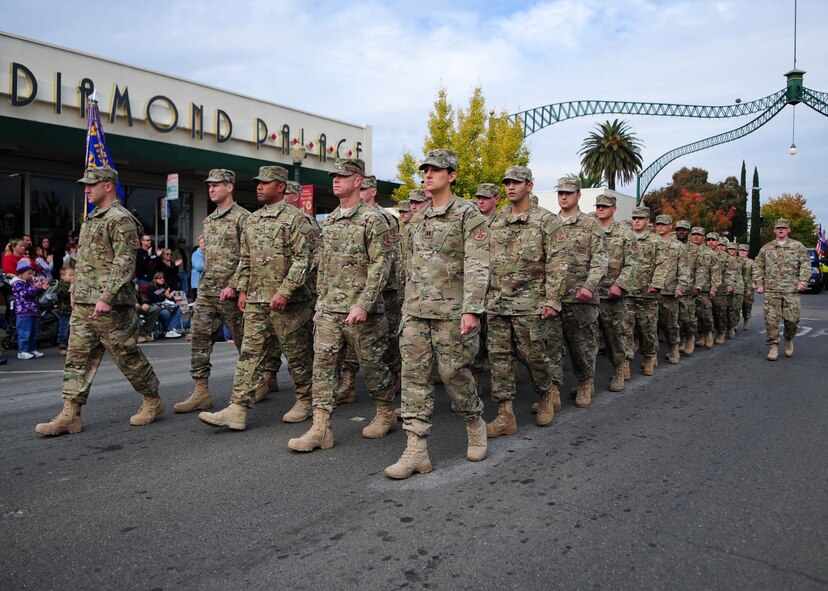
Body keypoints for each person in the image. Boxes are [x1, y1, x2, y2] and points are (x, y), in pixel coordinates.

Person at [385, 149, 489, 479]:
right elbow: (408, 265)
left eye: (436, 170)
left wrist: (472, 309)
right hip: (416, 312)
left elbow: (478, 263)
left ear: (452, 175)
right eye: (425, 170)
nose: (428, 174)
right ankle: (416, 450)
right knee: (413, 378)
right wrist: (404, 306)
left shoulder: (468, 215)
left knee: (454, 375)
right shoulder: (418, 218)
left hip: (452, 313)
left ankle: (474, 421)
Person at [35, 166, 163, 436]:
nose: (86, 189)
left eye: (91, 185)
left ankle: (152, 400)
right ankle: (70, 414)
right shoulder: (92, 218)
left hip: (111, 305)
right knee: (76, 358)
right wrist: (74, 289)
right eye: (85, 185)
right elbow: (85, 260)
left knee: (126, 355)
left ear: (108, 186)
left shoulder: (121, 219)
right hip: (83, 302)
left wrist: (106, 296)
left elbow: (125, 261)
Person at [199, 165, 318, 430]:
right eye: (258, 182)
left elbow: (304, 261)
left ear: (281, 187)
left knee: (297, 354)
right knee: (249, 354)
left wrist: (285, 291)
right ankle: (237, 408)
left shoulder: (297, 220)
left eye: (266, 182)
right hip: (256, 299)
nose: (259, 186)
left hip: (288, 302)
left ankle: (305, 398)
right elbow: (245, 260)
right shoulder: (252, 220)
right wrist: (242, 290)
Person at [288, 158, 393, 451]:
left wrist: (364, 304)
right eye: (334, 176)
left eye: (343, 176)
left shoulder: (374, 220)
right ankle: (321, 428)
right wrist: (321, 300)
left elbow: (381, 267)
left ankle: (385, 412)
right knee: (322, 365)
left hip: (362, 311)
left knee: (373, 365)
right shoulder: (331, 219)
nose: (336, 180)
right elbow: (323, 264)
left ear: (358, 181)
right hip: (330, 308)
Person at [485, 166, 564, 437]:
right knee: (499, 361)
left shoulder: (546, 221)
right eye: (507, 182)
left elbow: (557, 263)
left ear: (529, 186)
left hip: (530, 305)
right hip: (496, 303)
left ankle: (545, 396)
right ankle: (505, 414)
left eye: (516, 182)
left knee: (534, 357)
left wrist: (552, 299)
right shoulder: (496, 221)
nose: (510, 187)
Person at [173, 169, 248, 413]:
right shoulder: (210, 220)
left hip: (231, 292)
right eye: (209, 185)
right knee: (199, 338)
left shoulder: (243, 218)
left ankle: (258, 383)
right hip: (207, 290)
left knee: (245, 343)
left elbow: (249, 257)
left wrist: (237, 286)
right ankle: (201, 391)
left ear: (230, 187)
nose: (212, 189)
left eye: (217, 184)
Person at [336, 175, 402, 405]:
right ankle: (348, 382)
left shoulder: (384, 219)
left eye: (363, 189)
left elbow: (389, 258)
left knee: (388, 340)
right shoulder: (343, 216)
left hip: (385, 290)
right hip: (354, 291)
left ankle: (396, 375)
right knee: (350, 341)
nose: (360, 192)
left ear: (372, 191)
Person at [553, 176, 607, 407]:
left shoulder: (590, 224)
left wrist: (589, 285)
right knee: (551, 347)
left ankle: (585, 382)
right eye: (560, 193)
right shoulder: (550, 223)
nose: (563, 196)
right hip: (553, 297)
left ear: (578, 195)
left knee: (581, 346)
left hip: (580, 298)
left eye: (568, 192)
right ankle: (551, 392)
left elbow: (600, 258)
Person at [594, 192, 636, 392]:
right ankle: (587, 382)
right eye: (598, 206)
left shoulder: (625, 233)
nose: (600, 209)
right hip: (590, 294)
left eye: (605, 206)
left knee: (615, 337)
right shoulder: (590, 229)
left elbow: (632, 264)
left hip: (613, 295)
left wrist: (620, 284)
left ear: (614, 209)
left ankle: (619, 370)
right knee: (588, 341)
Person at [753, 218, 811, 361]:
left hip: (791, 290)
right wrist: (758, 283)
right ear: (774, 230)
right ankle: (773, 347)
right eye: (778, 228)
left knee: (792, 320)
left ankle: (788, 338)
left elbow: (805, 264)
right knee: (771, 320)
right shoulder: (767, 248)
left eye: (784, 228)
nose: (781, 230)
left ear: (788, 230)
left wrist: (803, 281)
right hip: (772, 290)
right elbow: (757, 266)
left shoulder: (798, 246)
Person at [628, 206, 668, 377]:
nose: (636, 221)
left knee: (647, 328)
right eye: (634, 218)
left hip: (647, 293)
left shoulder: (656, 241)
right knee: (625, 329)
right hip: (626, 292)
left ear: (647, 221)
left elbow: (663, 264)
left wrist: (657, 283)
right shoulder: (626, 238)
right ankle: (624, 363)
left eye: (640, 218)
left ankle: (649, 357)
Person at [653, 214, 690, 364]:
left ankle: (673, 347)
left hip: (670, 291)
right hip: (650, 291)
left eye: (663, 224)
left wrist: (681, 286)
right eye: (658, 224)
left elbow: (683, 269)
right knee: (650, 325)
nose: (660, 226)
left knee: (670, 324)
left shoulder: (678, 247)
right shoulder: (650, 243)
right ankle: (651, 355)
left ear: (670, 226)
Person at [12, 260, 49, 359]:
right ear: (20, 273)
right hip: (23, 313)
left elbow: (34, 294)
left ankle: (32, 349)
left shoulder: (29, 283)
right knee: (24, 333)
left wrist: (41, 288)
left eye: (31, 273)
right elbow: (24, 295)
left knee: (33, 333)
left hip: (32, 311)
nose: (31, 275)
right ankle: (22, 351)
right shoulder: (17, 284)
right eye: (28, 273)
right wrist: (35, 288)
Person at [144, 272, 184, 337]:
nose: (162, 279)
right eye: (159, 278)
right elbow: (154, 299)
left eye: (163, 278)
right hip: (157, 307)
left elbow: (170, 299)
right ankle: (167, 330)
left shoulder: (165, 286)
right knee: (166, 313)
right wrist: (165, 295)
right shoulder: (151, 287)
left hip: (168, 305)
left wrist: (170, 297)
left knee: (180, 308)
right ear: (155, 279)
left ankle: (170, 329)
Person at [55, 266, 74, 355]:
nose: (72, 277)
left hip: (73, 311)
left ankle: (72, 346)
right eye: (70, 275)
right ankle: (62, 344)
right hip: (65, 311)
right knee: (64, 328)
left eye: (74, 275)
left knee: (72, 329)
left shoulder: (74, 285)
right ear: (63, 276)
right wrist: (71, 290)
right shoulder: (62, 285)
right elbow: (62, 294)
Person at [739, 244, 754, 330]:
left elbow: (754, 275)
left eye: (744, 251)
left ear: (747, 252)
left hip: (747, 287)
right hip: (737, 287)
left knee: (747, 305)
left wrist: (750, 288)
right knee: (735, 306)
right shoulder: (734, 261)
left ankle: (746, 321)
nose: (742, 252)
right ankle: (734, 324)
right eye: (741, 250)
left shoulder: (751, 262)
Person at [190, 235, 205, 301]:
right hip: (197, 283)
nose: (203, 244)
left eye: (204, 242)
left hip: (203, 284)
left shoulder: (205, 254)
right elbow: (199, 267)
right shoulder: (196, 254)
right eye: (201, 242)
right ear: (198, 244)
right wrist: (208, 264)